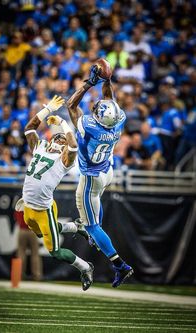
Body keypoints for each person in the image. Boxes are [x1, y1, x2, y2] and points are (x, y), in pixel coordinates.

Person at [67, 65, 134, 287]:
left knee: (92, 227)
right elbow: (108, 97)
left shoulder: (89, 126)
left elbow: (71, 105)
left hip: (91, 178)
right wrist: (108, 78)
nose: (96, 107)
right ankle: (97, 234)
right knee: (95, 217)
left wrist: (89, 82)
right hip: (107, 171)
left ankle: (120, 265)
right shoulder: (118, 120)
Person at [18, 95, 94, 291]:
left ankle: (85, 267)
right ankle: (76, 228)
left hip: (44, 208)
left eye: (63, 140)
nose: (61, 141)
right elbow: (29, 128)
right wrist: (47, 110)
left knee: (56, 252)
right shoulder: (40, 147)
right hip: (28, 206)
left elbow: (74, 146)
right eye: (58, 137)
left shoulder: (64, 161)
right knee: (39, 232)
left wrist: (62, 122)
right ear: (51, 140)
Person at [14, 207, 43, 281]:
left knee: (21, 253)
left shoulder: (20, 204)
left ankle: (19, 275)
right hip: (32, 231)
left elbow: (16, 216)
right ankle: (36, 276)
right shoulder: (33, 204)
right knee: (35, 254)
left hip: (22, 230)